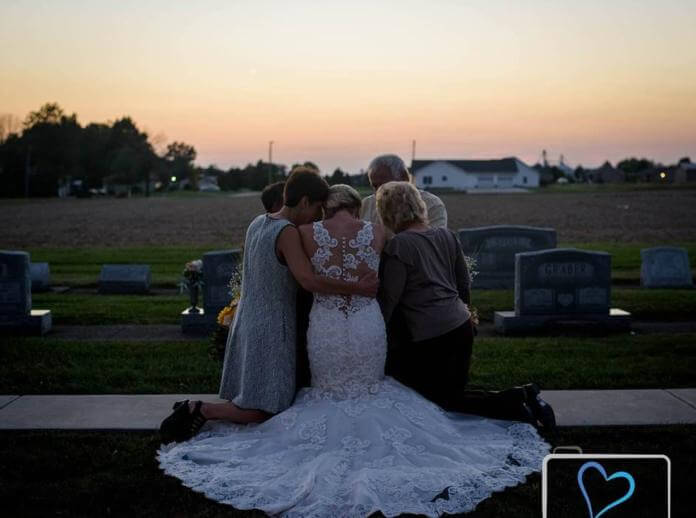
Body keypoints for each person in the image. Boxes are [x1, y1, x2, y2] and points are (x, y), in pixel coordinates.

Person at [158, 183, 550, 517]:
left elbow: (305, 281)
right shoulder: (378, 234)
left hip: (327, 325)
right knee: (369, 389)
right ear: (355, 205)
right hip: (366, 324)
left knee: (330, 391)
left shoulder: (306, 233)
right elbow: (397, 272)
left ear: (325, 205)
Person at [159, 168, 378, 442]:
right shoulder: (287, 232)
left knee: (255, 396)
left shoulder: (258, 222)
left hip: (249, 318)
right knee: (269, 409)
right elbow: (308, 280)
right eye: (318, 209)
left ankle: (204, 409)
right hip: (273, 326)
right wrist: (357, 287)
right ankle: (202, 409)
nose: (318, 218)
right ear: (305, 201)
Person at [376, 181, 556, 429]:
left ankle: (518, 404)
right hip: (459, 326)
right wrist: (469, 316)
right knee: (453, 392)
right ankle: (524, 396)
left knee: (443, 399)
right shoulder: (447, 236)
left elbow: (390, 298)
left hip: (430, 334)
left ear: (387, 212)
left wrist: (375, 332)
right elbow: (464, 283)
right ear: (418, 205)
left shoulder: (399, 245)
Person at [360, 154, 447, 233]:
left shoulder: (432, 204)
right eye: (375, 186)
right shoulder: (366, 205)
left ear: (404, 178)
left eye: (385, 185)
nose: (379, 191)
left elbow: (433, 243)